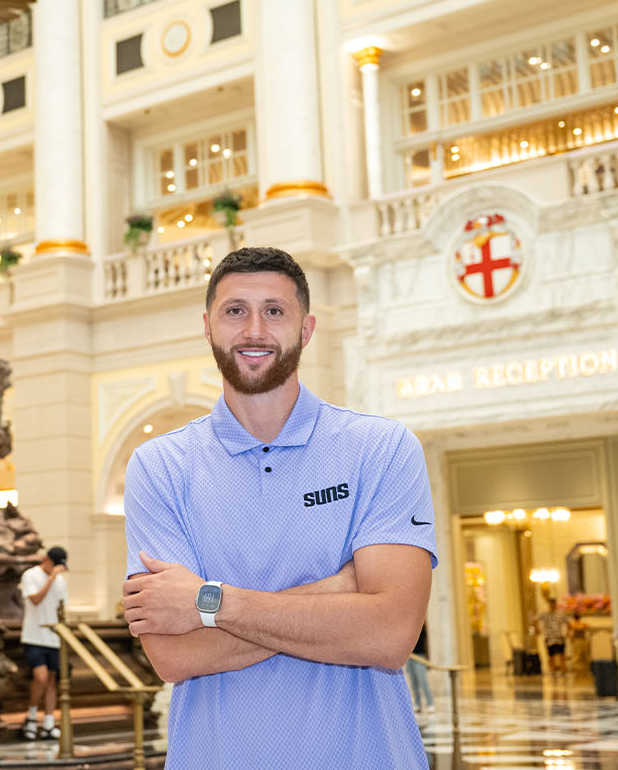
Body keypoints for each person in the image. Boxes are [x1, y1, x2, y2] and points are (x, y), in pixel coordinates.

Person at [121, 247, 436, 769]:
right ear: (207, 326)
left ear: (306, 328)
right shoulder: (160, 466)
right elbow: (173, 656)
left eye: (274, 310)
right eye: (235, 310)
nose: (254, 331)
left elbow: (388, 635)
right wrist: (341, 588)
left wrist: (207, 602)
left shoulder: (381, 448)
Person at [19, 545, 69, 740]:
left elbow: (62, 608)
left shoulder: (61, 581)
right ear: (47, 560)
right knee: (40, 677)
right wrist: (50, 579)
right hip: (34, 635)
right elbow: (35, 600)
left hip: (54, 637)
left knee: (51, 680)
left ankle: (49, 722)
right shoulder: (30, 575)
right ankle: (31, 716)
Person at [405, 625, 434, 714]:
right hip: (410, 657)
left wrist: (428, 658)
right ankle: (417, 704)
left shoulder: (422, 624)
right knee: (413, 682)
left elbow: (424, 640)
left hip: (420, 656)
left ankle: (430, 704)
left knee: (423, 681)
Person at [536, 597, 568, 677]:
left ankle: (563, 671)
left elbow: (568, 623)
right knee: (551, 656)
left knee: (562, 655)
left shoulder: (561, 613)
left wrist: (568, 632)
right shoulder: (544, 614)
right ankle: (552, 671)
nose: (552, 605)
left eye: (553, 604)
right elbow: (535, 620)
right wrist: (537, 630)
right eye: (551, 604)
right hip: (549, 637)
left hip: (559, 637)